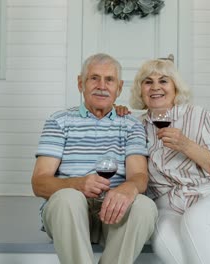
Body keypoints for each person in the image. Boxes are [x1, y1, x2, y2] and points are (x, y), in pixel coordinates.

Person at [31, 53, 158, 264]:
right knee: (67, 198)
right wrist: (77, 184)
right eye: (94, 78)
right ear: (80, 83)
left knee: (145, 207)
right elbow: (39, 183)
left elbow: (139, 176)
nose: (102, 85)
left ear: (119, 87)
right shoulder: (59, 121)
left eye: (109, 80)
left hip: (113, 211)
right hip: (69, 215)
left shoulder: (131, 125)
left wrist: (128, 188)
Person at [119, 58, 210, 264]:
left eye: (163, 81)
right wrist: (116, 111)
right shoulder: (135, 126)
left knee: (195, 220)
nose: (155, 87)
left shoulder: (199, 115)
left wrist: (186, 145)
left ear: (175, 87)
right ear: (140, 91)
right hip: (168, 205)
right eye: (148, 82)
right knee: (163, 242)